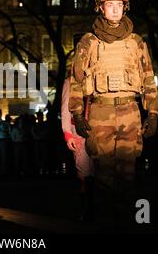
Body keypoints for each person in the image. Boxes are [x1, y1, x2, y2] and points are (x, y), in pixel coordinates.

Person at [68, 0, 158, 225]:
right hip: (101, 111)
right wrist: (77, 115)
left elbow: (149, 78)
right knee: (104, 174)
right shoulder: (89, 42)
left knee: (128, 173)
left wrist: (153, 112)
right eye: (110, 5)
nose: (115, 10)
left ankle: (126, 221)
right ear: (100, 7)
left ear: (125, 7)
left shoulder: (137, 42)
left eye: (120, 5)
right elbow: (76, 80)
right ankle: (105, 222)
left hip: (130, 111)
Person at [61, 77, 95, 221]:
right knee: (84, 173)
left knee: (103, 170)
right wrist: (67, 133)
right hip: (78, 132)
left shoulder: (97, 76)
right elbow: (65, 108)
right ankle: (87, 210)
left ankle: (99, 208)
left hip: (100, 130)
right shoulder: (71, 81)